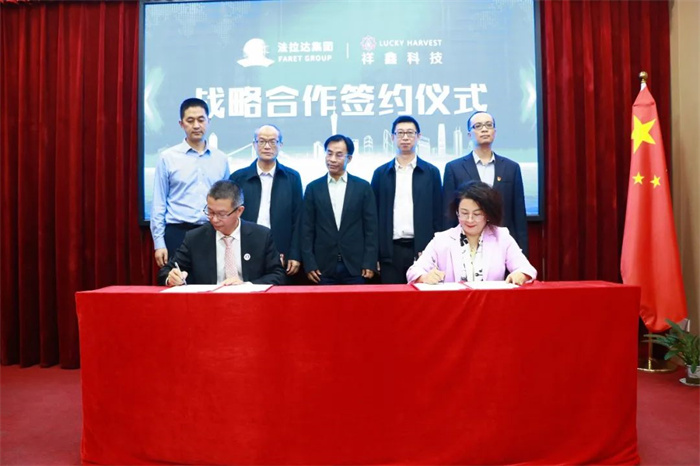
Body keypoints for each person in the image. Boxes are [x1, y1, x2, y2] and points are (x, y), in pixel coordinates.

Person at [151, 98, 230, 268]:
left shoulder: (221, 158)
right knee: (178, 281)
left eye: (201, 120)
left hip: (212, 231)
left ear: (208, 121)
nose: (196, 126)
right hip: (177, 233)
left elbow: (227, 201)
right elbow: (158, 203)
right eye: (190, 120)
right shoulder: (167, 158)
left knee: (212, 282)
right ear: (181, 124)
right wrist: (159, 243)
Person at [157, 180, 285, 286]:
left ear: (239, 211)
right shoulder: (195, 238)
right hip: (208, 303)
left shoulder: (261, 236)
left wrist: (247, 286)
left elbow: (278, 275)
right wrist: (171, 278)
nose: (214, 219)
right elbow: (165, 272)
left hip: (250, 302)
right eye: (210, 212)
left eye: (221, 214)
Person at [407, 180, 536, 285]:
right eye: (464, 213)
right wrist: (425, 277)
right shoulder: (442, 239)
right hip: (454, 305)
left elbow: (526, 269)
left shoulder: (502, 237)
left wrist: (520, 274)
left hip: (492, 303)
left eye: (477, 214)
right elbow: (414, 271)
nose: (469, 220)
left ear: (488, 214)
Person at [442, 111, 529, 256]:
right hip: (466, 244)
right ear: (469, 134)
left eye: (488, 125)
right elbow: (448, 214)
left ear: (494, 132)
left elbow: (519, 214)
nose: (484, 129)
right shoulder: (454, 168)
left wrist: (522, 250)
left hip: (502, 244)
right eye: (478, 126)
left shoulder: (511, 168)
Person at [371, 116, 442, 283]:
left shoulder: (431, 172)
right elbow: (373, 218)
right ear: (392, 137)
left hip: (423, 251)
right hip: (390, 251)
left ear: (418, 136)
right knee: (392, 297)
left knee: (421, 296)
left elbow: (438, 215)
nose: (405, 138)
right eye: (400, 133)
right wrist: (375, 254)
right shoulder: (381, 174)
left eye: (410, 133)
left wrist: (435, 250)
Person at [301, 134, 378, 285]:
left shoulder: (363, 187)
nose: (332, 159)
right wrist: (309, 263)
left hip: (356, 266)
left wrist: (369, 262)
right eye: (329, 153)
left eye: (339, 155)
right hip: (322, 268)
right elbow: (306, 229)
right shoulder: (313, 188)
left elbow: (371, 228)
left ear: (349, 158)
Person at [229, 125, 303, 279]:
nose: (267, 146)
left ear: (281, 145)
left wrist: (295, 254)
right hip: (245, 247)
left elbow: (298, 220)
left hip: (281, 248)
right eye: (262, 141)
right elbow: (231, 217)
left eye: (273, 142)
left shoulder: (292, 178)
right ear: (254, 144)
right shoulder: (238, 178)